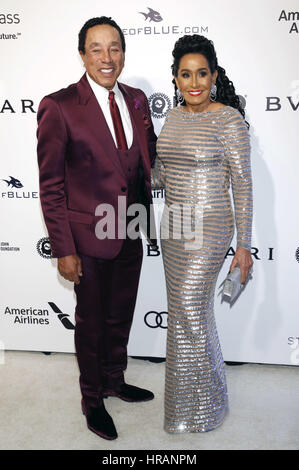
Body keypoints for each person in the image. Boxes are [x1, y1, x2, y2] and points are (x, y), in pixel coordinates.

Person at [37, 16, 157, 440]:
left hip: (130, 228)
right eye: (97, 49)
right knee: (90, 321)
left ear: (124, 52)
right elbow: (51, 186)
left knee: (119, 313)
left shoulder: (139, 99)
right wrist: (63, 249)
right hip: (86, 237)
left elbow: (146, 162)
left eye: (115, 48)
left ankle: (114, 379)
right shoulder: (61, 105)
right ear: (83, 54)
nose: (107, 58)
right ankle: (92, 399)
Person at [152, 34, 253, 433]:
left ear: (214, 75)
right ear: (175, 79)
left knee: (191, 311)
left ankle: (202, 410)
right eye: (185, 75)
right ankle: (202, 400)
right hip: (173, 227)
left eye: (202, 74)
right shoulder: (173, 117)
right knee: (183, 316)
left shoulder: (229, 119)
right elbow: (161, 174)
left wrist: (244, 246)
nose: (194, 83)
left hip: (210, 227)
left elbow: (242, 184)